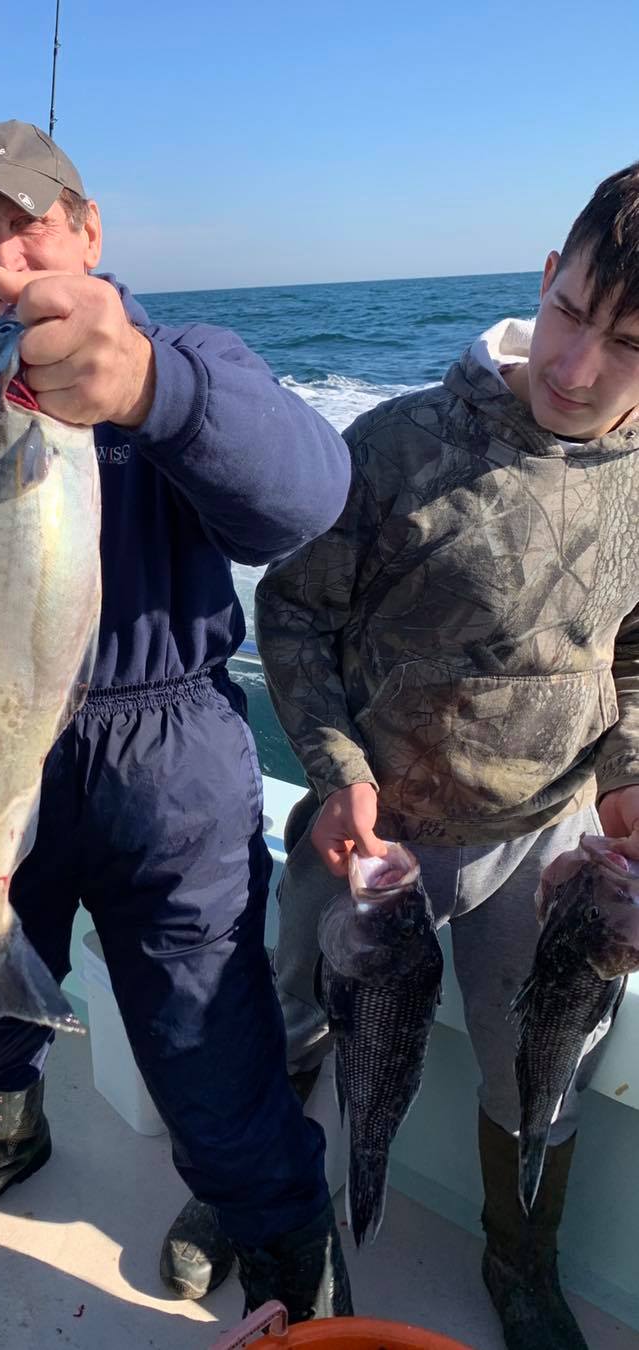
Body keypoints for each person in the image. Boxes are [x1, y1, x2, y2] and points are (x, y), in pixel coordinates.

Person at [0, 117, 355, 1319]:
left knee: (208, 1043)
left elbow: (304, 499)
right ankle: (1, 1136)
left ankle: (283, 1253)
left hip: (167, 756)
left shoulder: (191, 359)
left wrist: (148, 389)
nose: (0, 261)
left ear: (87, 230)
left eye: (25, 224)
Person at [255, 163, 639, 1350]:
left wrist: (627, 780)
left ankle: (515, 1262)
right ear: (543, 280)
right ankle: (259, 1212)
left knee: (537, 1073)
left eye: (628, 342)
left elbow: (632, 659)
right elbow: (293, 614)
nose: (576, 368)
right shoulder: (391, 442)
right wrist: (332, 766)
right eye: (570, 314)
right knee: (288, 1013)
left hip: (545, 846)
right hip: (366, 836)